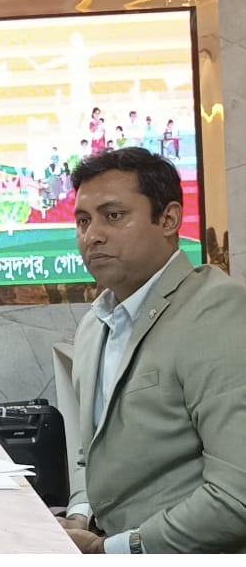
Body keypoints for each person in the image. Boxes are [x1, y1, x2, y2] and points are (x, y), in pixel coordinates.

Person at [62, 147, 246, 553]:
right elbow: (91, 455)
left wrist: (111, 550)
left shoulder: (218, 311)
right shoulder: (95, 324)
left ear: (168, 220)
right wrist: (78, 515)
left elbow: (238, 494)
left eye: (113, 216)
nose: (92, 236)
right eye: (83, 221)